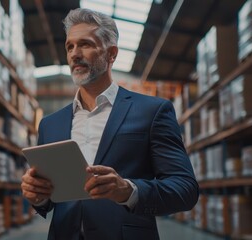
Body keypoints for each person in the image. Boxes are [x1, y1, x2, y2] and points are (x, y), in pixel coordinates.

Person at [21, 8, 199, 240]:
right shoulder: (50, 124)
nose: (75, 54)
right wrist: (38, 196)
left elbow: (185, 189)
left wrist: (128, 190)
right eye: (70, 46)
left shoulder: (152, 111)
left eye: (85, 44)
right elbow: (50, 200)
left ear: (111, 54)